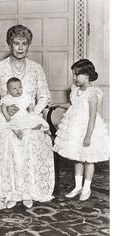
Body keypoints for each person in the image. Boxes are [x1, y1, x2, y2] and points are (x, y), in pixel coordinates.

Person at [0, 24, 55, 214]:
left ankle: (27, 190)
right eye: (16, 43)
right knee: (12, 140)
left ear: (29, 45)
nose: (20, 47)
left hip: (29, 116)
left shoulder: (36, 69)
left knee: (30, 137)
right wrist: (4, 109)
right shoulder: (0, 67)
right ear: (9, 44)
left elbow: (44, 95)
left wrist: (34, 112)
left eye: (24, 43)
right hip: (6, 117)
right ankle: (11, 191)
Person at [52, 59, 109, 201]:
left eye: (77, 75)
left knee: (88, 159)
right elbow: (73, 105)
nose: (74, 78)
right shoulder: (75, 90)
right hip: (75, 128)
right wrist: (58, 104)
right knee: (77, 158)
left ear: (87, 75)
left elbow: (92, 117)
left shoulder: (93, 94)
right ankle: (78, 186)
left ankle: (86, 188)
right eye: (73, 75)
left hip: (88, 129)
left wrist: (88, 136)